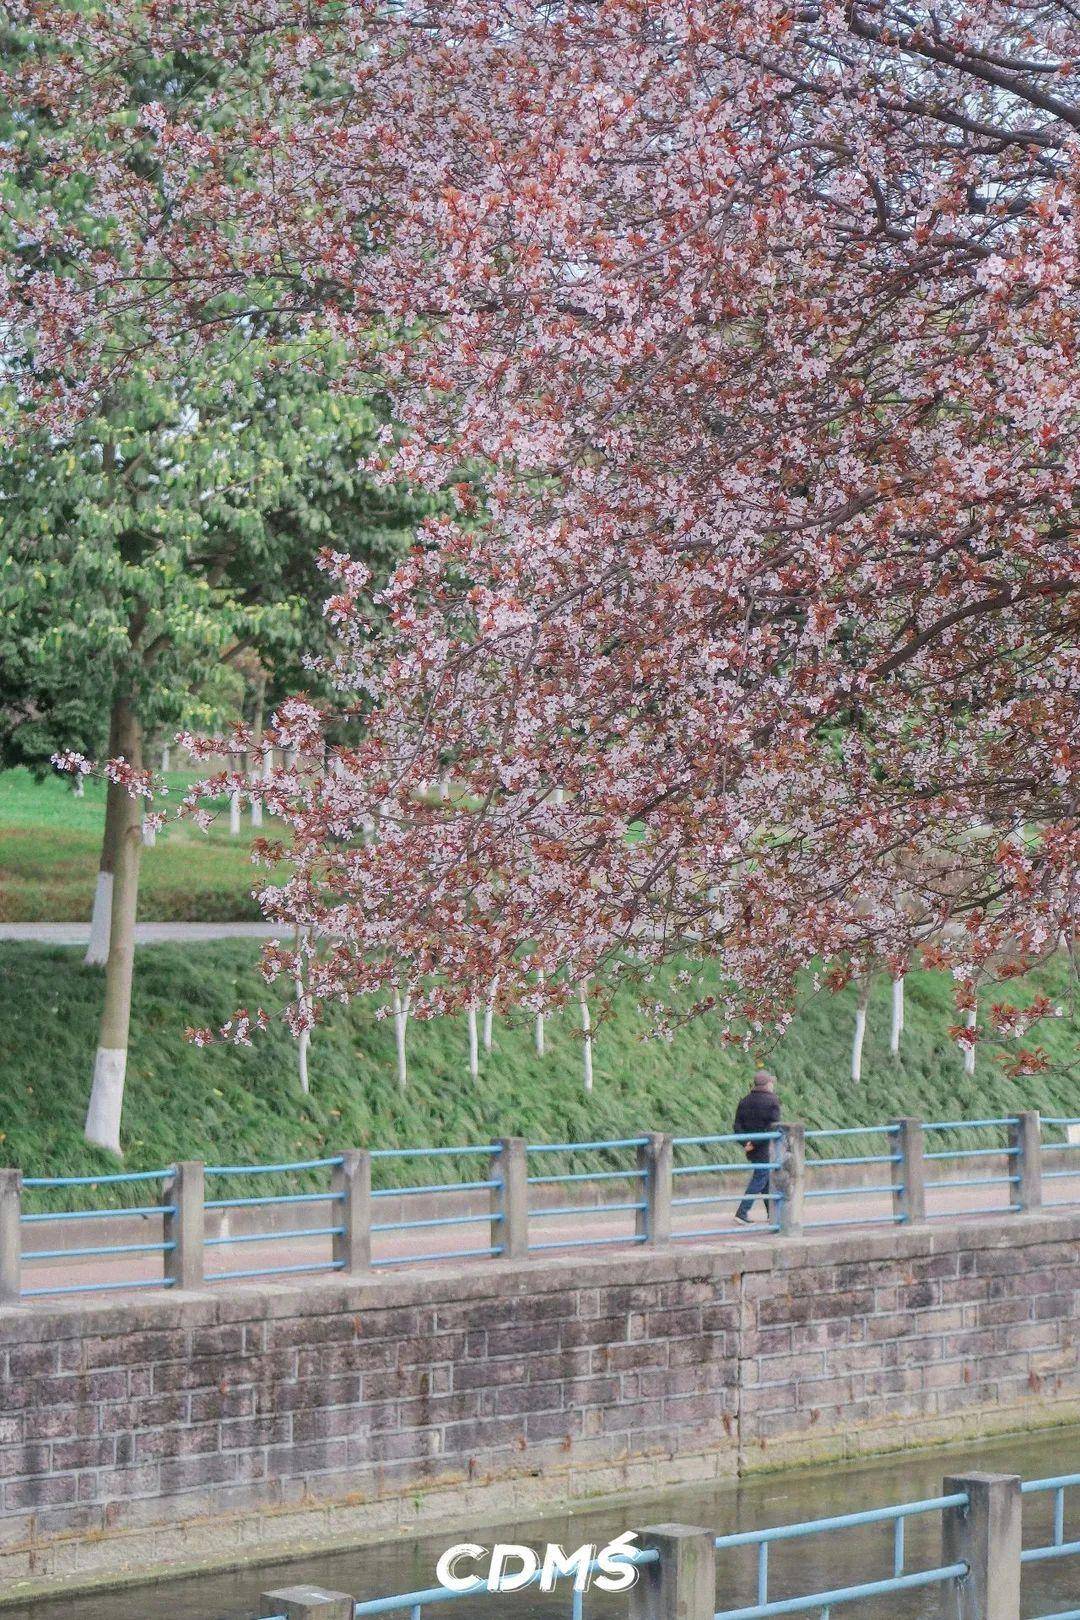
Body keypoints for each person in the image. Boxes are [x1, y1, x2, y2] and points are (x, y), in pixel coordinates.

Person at [733, 1069, 781, 1224]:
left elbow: (737, 1125)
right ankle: (742, 1212)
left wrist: (746, 1143)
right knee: (760, 1177)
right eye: (771, 1083)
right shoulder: (772, 1101)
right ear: (767, 1085)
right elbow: (772, 1127)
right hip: (764, 1147)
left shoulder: (744, 1100)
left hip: (750, 1147)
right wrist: (755, 1143)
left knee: (764, 1178)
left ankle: (772, 1213)